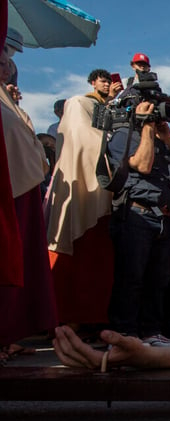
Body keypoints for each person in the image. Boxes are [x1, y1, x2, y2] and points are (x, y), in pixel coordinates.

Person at [106, 97, 170, 347]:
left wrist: (168, 139)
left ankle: (151, 333)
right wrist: (145, 126)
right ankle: (124, 335)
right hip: (136, 214)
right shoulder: (123, 135)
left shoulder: (163, 142)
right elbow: (143, 165)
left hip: (164, 219)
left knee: (159, 281)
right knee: (131, 278)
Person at [44, 69, 124, 331]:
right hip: (83, 181)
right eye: (103, 80)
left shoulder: (109, 107)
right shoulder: (80, 102)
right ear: (93, 82)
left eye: (109, 81)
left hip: (106, 189)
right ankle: (70, 321)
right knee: (78, 253)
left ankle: (95, 320)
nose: (107, 84)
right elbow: (83, 138)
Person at [1, 30, 56, 354]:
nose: (8, 67)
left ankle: (7, 337)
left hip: (19, 184)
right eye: (3, 58)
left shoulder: (8, 98)